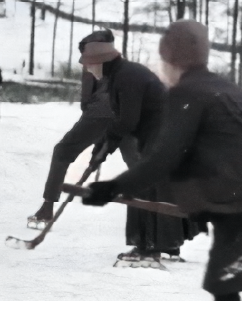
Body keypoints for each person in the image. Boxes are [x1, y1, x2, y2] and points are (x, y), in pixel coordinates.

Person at [65, 21, 242, 300]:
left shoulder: (187, 93)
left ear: (172, 60)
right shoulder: (225, 86)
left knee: (226, 284)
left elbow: (162, 159)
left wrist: (112, 188)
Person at [26, 30, 197, 266]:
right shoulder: (123, 73)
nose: (86, 70)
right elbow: (123, 121)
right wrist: (102, 148)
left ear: (100, 63)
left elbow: (127, 121)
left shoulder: (125, 77)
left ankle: (147, 250)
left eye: (88, 65)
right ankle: (165, 245)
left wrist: (105, 147)